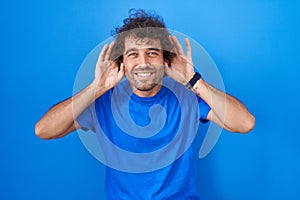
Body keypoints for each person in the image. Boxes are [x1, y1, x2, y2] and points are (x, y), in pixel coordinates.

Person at [35, 9, 255, 199]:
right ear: (122, 62)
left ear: (165, 59)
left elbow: (244, 123)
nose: (143, 63)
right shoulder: (103, 101)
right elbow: (44, 130)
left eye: (152, 53)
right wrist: (97, 87)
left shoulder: (187, 97)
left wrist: (194, 81)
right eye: (133, 54)